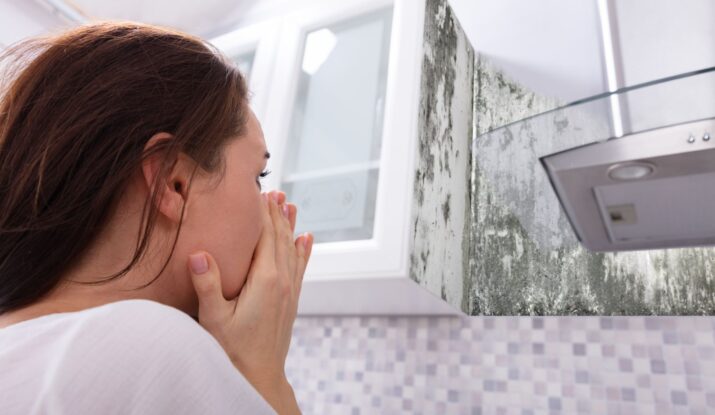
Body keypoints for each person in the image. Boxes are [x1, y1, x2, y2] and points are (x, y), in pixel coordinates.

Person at [0, 21, 313, 414]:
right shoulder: (149, 345)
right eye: (257, 177)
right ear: (173, 181)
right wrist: (265, 374)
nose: (274, 209)